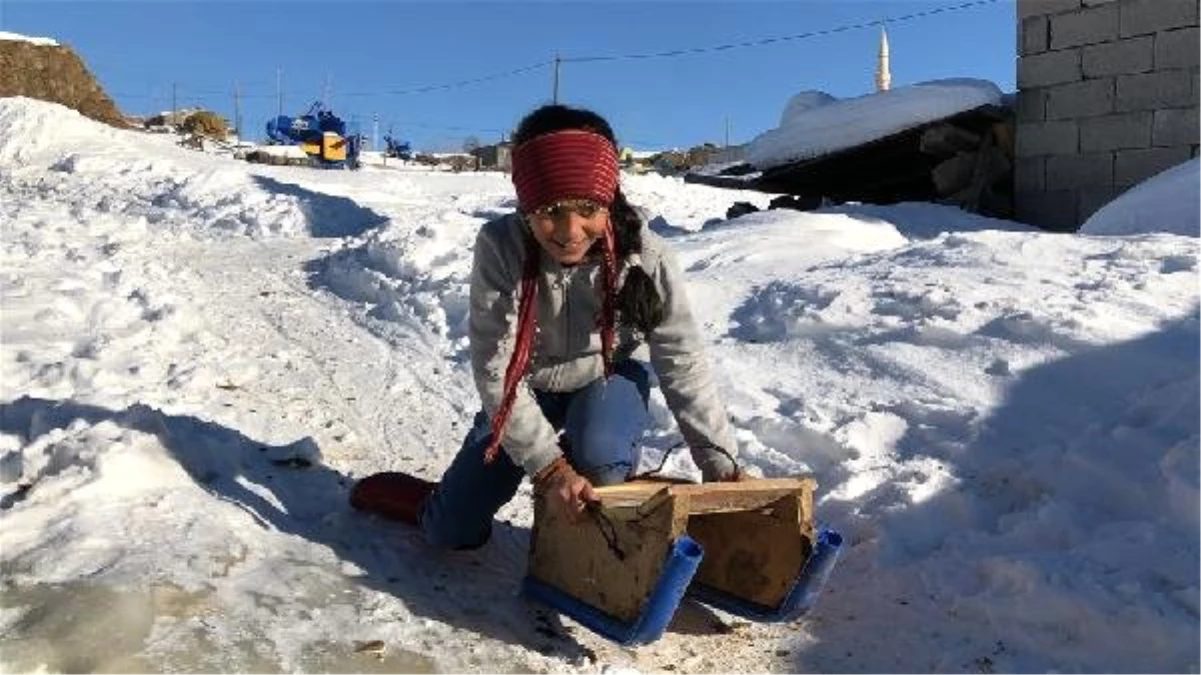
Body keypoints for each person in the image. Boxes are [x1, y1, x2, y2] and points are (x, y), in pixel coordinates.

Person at [351, 104, 740, 550]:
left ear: (609, 198)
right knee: (449, 532)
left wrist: (719, 459)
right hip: (526, 383)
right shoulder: (501, 247)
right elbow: (496, 369)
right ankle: (442, 504)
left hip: (605, 377)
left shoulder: (646, 256)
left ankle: (593, 502)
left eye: (587, 209)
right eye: (549, 211)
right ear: (525, 206)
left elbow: (682, 359)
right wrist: (549, 467)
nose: (569, 231)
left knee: (599, 462)